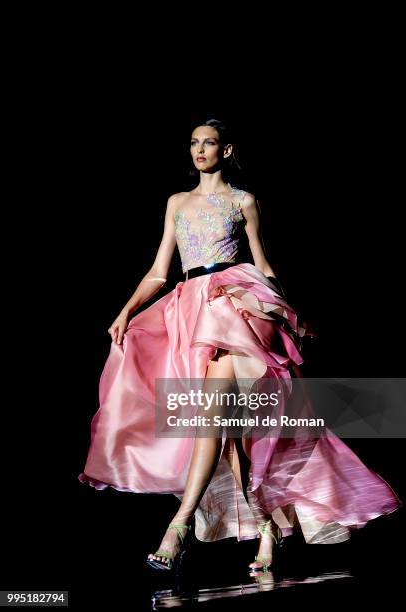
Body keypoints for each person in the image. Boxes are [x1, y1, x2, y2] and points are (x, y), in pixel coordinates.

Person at [78, 118, 401, 575]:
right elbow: (158, 271)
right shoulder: (177, 203)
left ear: (226, 150)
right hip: (190, 309)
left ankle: (179, 525)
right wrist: (126, 311)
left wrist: (286, 314)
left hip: (235, 306)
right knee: (238, 437)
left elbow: (263, 263)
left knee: (218, 419)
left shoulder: (243, 200)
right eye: (193, 143)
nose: (199, 150)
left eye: (208, 143)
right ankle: (267, 528)